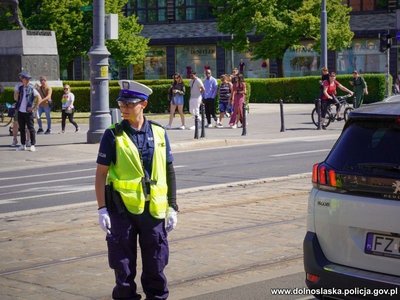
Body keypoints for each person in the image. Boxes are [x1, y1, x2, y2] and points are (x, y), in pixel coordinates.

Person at [95, 80, 178, 300]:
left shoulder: (160, 133)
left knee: (156, 267)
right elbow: (101, 173)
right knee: (124, 270)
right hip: (122, 211)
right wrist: (102, 209)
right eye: (121, 104)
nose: (124, 108)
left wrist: (173, 206)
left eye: (129, 104)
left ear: (144, 104)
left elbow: (169, 171)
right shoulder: (112, 135)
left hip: (154, 212)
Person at [15, 71, 40, 152]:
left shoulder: (31, 88)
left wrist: (33, 107)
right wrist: (16, 92)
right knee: (22, 129)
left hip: (28, 112)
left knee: (31, 128)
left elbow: (38, 98)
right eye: (24, 78)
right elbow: (16, 99)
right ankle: (23, 145)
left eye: (26, 78)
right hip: (20, 111)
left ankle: (32, 145)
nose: (25, 80)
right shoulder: (20, 88)